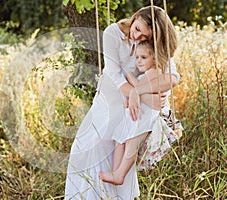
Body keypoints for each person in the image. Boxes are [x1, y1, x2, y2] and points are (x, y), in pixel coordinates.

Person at [65, 5, 180, 199]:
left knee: (121, 147)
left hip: (134, 105)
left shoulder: (153, 41)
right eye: (137, 30)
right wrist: (136, 92)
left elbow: (173, 77)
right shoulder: (113, 32)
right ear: (134, 18)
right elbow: (114, 74)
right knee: (89, 145)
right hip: (112, 97)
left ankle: (116, 194)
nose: (137, 37)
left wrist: (138, 92)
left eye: (144, 36)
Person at [98, 40, 181, 185]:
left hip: (148, 115)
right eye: (137, 57)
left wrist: (129, 76)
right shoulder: (147, 73)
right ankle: (116, 171)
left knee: (131, 140)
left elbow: (138, 88)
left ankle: (120, 174)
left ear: (154, 58)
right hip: (139, 113)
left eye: (143, 57)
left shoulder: (155, 71)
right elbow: (137, 93)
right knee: (120, 137)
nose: (139, 61)